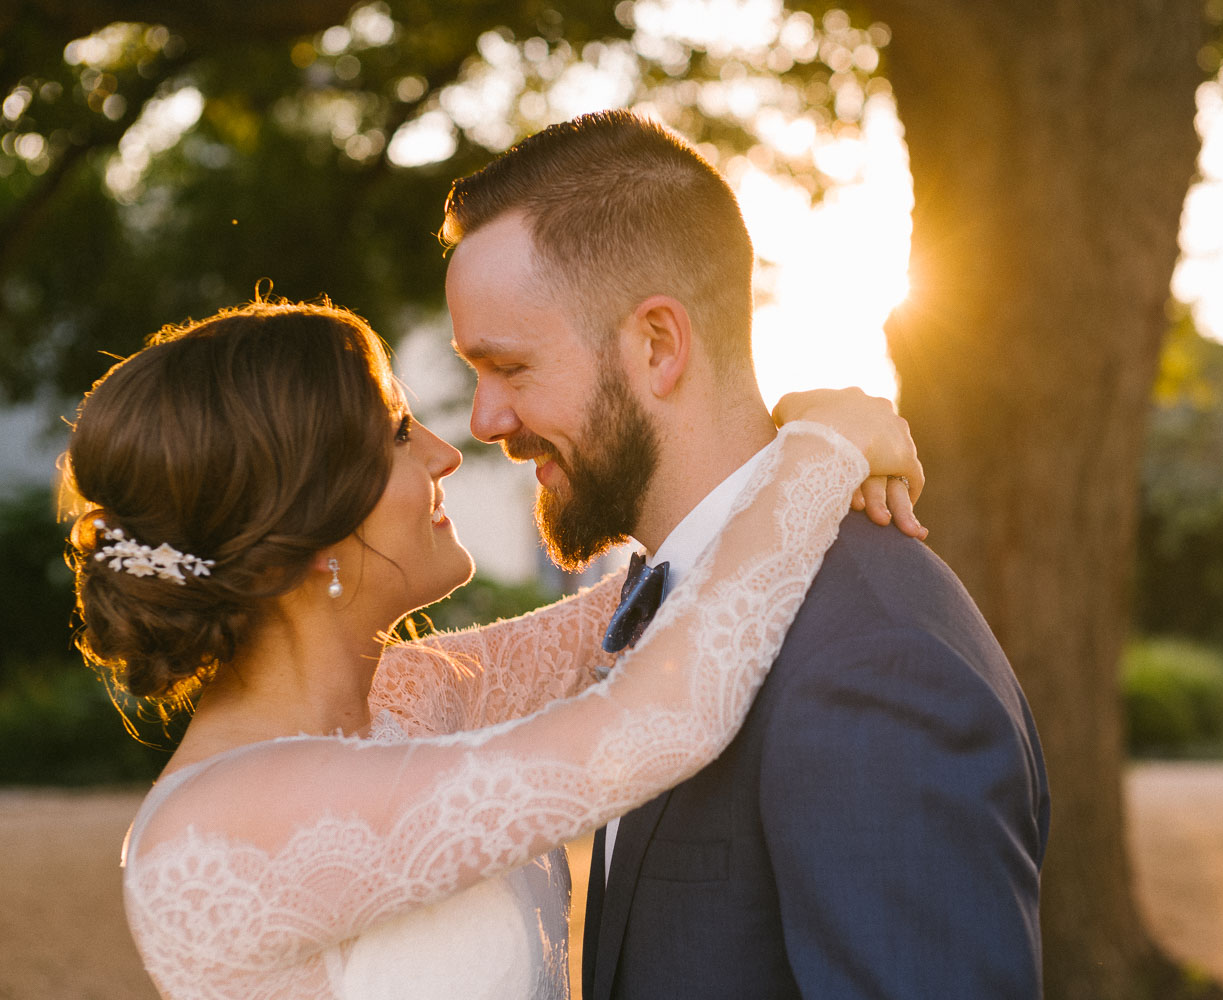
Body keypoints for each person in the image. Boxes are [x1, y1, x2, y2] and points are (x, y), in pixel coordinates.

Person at [66, 298, 923, 1000]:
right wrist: (824, 451)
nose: (445, 454)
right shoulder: (211, 831)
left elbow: (664, 603)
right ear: (310, 525)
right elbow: (661, 718)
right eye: (399, 432)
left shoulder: (406, 700)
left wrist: (780, 438)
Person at [440, 110, 1051, 999]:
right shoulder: (674, 597)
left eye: (511, 369)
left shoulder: (871, 661)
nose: (485, 421)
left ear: (658, 345)